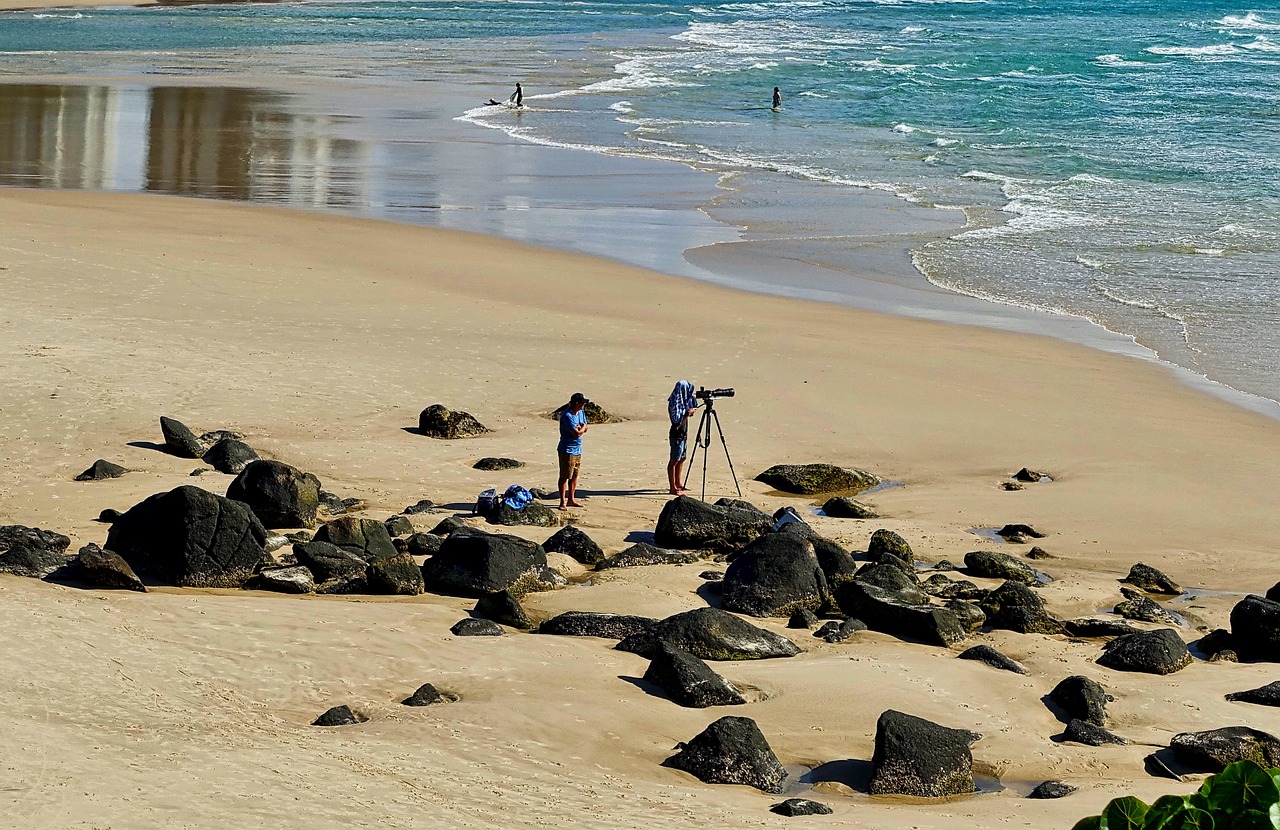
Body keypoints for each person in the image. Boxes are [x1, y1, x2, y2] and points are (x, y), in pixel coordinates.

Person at [557, 391, 589, 509]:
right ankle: (562, 501)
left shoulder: (580, 412)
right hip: (567, 450)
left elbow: (586, 426)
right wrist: (581, 429)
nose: (583, 405)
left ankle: (571, 499)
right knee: (565, 476)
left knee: (574, 476)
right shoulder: (567, 416)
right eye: (582, 403)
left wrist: (582, 428)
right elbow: (576, 433)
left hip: (577, 449)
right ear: (576, 403)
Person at [667, 380, 699, 495]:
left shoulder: (683, 402)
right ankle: (672, 487)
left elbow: (692, 403)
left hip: (683, 435)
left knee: (682, 458)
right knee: (674, 460)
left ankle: (678, 483)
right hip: (677, 435)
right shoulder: (675, 404)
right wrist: (687, 414)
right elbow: (677, 424)